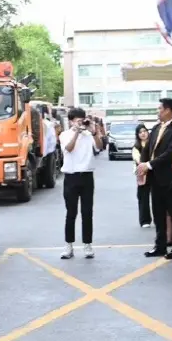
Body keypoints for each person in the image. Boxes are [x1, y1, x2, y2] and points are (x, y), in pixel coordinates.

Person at [138, 98, 172, 259]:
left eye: (159, 109)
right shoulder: (156, 127)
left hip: (170, 177)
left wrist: (149, 164)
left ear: (168, 110)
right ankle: (160, 245)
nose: (158, 112)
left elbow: (171, 152)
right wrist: (142, 165)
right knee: (157, 213)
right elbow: (148, 149)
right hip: (154, 178)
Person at [60, 108, 103, 259]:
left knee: (87, 212)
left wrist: (94, 132)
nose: (80, 122)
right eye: (77, 120)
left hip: (87, 176)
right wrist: (77, 133)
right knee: (71, 213)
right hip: (71, 177)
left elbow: (99, 147)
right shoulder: (65, 135)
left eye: (82, 119)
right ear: (71, 121)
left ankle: (87, 245)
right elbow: (69, 149)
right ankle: (69, 246)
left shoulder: (88, 134)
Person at [133, 124, 152, 228]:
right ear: (137, 135)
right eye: (140, 132)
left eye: (144, 131)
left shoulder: (153, 143)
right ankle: (145, 220)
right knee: (143, 197)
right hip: (142, 174)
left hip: (154, 172)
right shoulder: (136, 147)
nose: (143, 133)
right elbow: (138, 160)